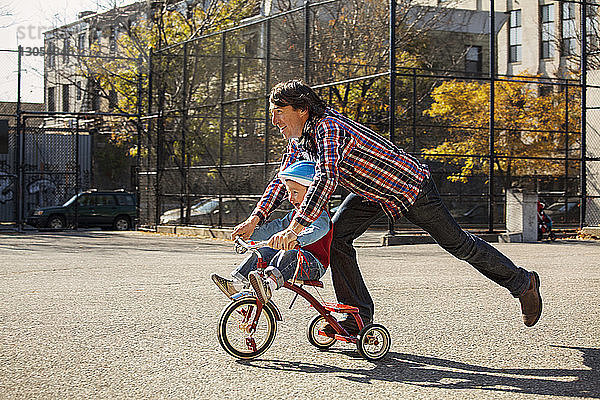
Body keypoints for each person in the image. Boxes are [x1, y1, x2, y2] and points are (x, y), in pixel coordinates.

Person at [232, 80, 542, 334]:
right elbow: (284, 178)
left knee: (459, 245)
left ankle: (522, 282)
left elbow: (325, 179)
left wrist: (295, 227)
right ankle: (357, 319)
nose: (274, 121)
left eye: (278, 112)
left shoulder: (328, 129)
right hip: (371, 193)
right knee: (338, 238)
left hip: (409, 188)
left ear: (302, 109)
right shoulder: (299, 137)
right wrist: (255, 218)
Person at [212, 160, 332, 304]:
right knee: (264, 251)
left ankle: (268, 286)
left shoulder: (320, 215)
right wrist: (251, 234)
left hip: (313, 265)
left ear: (311, 194)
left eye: (295, 192)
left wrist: (296, 238)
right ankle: (236, 285)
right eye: (288, 192)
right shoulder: (294, 215)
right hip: (293, 260)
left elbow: (318, 230)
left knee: (288, 253)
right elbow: (276, 227)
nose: (290, 198)